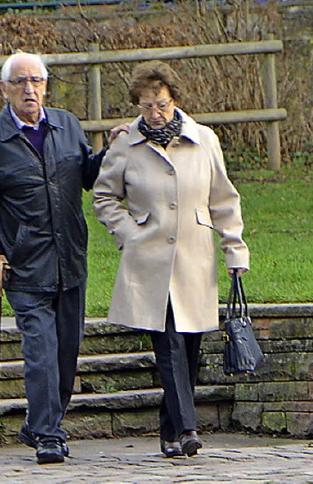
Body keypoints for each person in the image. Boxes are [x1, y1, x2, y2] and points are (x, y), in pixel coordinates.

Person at [93, 60, 249, 459]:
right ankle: (189, 427)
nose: (154, 113)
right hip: (149, 259)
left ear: (174, 99)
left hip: (194, 257)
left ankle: (169, 433)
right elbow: (104, 197)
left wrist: (235, 249)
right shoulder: (125, 142)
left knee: (190, 348)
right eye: (146, 106)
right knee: (168, 342)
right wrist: (130, 233)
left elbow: (224, 200)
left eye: (160, 104)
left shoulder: (204, 139)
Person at [0, 52, 110, 465]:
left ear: (46, 85)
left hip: (70, 260)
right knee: (41, 352)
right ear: (4, 87)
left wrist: (110, 152)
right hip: (24, 266)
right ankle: (48, 435)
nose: (30, 89)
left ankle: (38, 422)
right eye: (21, 82)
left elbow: (86, 177)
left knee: (66, 353)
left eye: (37, 81)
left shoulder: (67, 125)